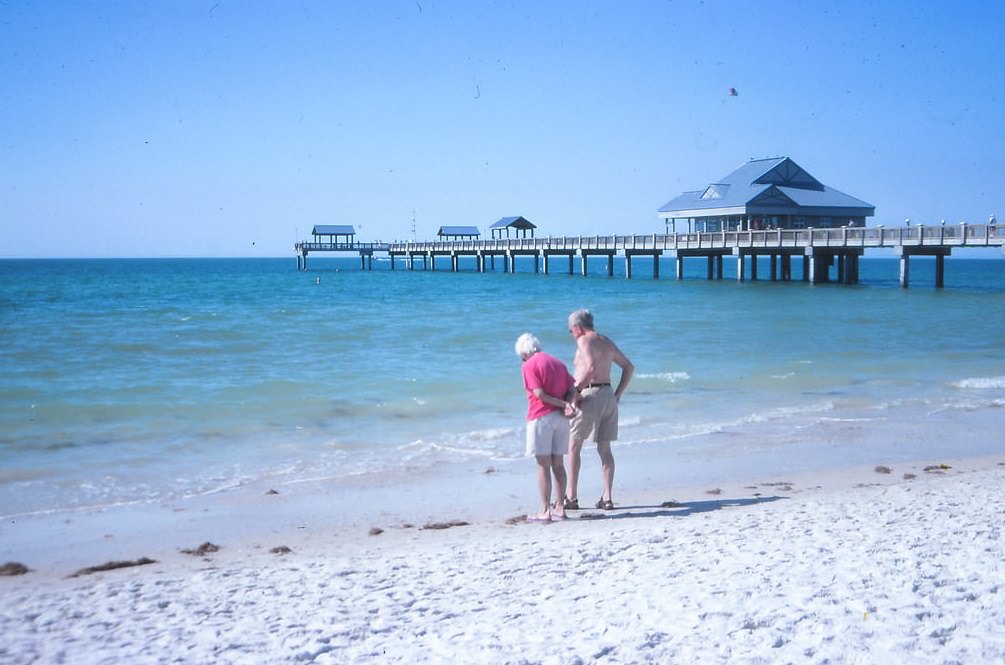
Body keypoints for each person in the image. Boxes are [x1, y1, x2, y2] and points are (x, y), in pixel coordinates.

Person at [565, 309, 634, 511]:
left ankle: (572, 497)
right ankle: (607, 497)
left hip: (589, 395)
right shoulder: (606, 341)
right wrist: (618, 394)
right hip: (607, 395)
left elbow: (591, 367)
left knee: (574, 446)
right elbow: (629, 367)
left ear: (577, 327)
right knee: (605, 449)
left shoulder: (584, 340)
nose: (571, 334)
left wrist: (576, 392)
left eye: (570, 330)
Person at [515, 333, 578, 522]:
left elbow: (539, 394)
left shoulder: (528, 365)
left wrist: (561, 404)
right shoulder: (557, 363)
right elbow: (573, 387)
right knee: (558, 464)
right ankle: (560, 508)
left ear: (524, 353)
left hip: (541, 416)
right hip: (560, 419)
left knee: (543, 465)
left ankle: (545, 510)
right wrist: (569, 404)